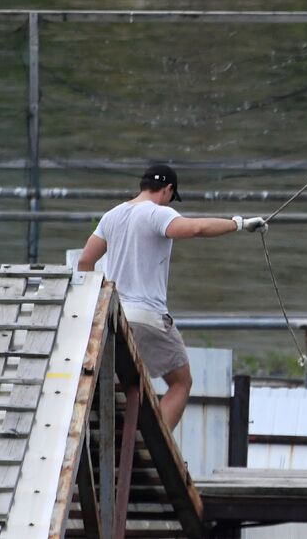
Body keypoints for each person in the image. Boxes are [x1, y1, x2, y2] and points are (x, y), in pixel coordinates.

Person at [75, 164, 267, 429]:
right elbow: (196, 229)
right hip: (147, 317)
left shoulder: (112, 215)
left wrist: (96, 304)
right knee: (181, 383)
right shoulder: (157, 214)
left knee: (129, 385)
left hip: (113, 317)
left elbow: (85, 260)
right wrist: (239, 224)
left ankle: (125, 442)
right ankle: (152, 445)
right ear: (167, 190)